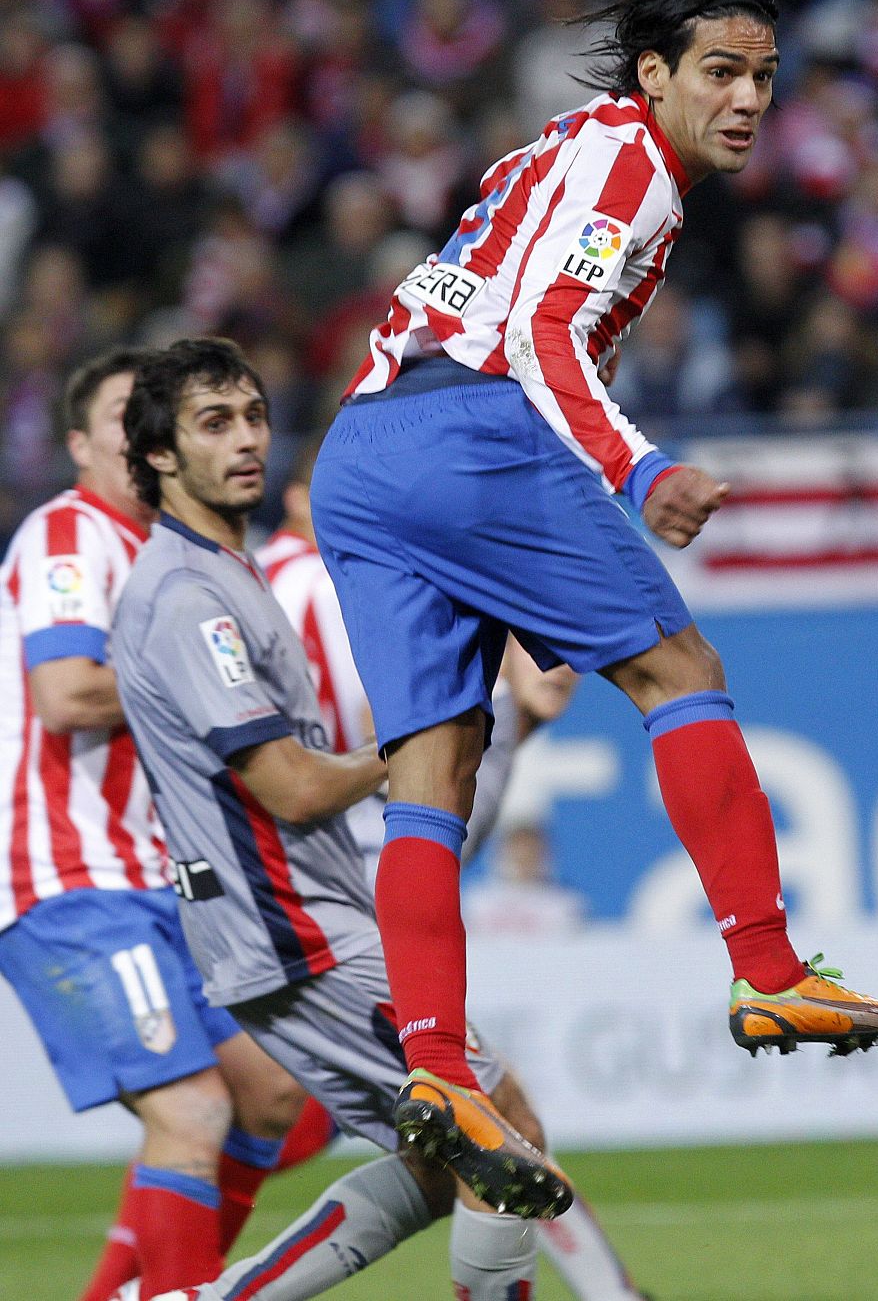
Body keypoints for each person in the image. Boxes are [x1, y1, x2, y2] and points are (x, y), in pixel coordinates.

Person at [310, 0, 878, 1219]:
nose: (749, 98)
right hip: (472, 430)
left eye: (763, 76)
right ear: (653, 76)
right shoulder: (634, 169)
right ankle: (766, 965)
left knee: (439, 768)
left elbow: (513, 304)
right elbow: (541, 332)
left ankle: (435, 1067)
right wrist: (642, 470)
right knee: (678, 666)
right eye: (722, 72)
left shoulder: (568, 149)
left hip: (363, 452)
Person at [114, 336, 574, 1301]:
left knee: (453, 1159)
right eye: (212, 424)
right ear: (160, 455)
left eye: (251, 417)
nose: (245, 440)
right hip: (292, 931)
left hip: (307, 920)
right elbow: (287, 787)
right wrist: (421, 742)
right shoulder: (188, 599)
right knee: (501, 1134)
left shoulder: (225, 573)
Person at [257, 443, 650, 1301]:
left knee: (476, 1144)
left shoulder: (499, 717)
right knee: (495, 1135)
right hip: (340, 914)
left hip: (343, 914)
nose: (564, 671)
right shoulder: (381, 624)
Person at [0, 349, 313, 1300]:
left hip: (166, 879)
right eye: (121, 417)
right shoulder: (70, 535)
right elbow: (65, 693)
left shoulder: (181, 556)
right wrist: (215, 697)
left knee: (274, 1093)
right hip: (69, 874)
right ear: (80, 446)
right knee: (190, 1108)